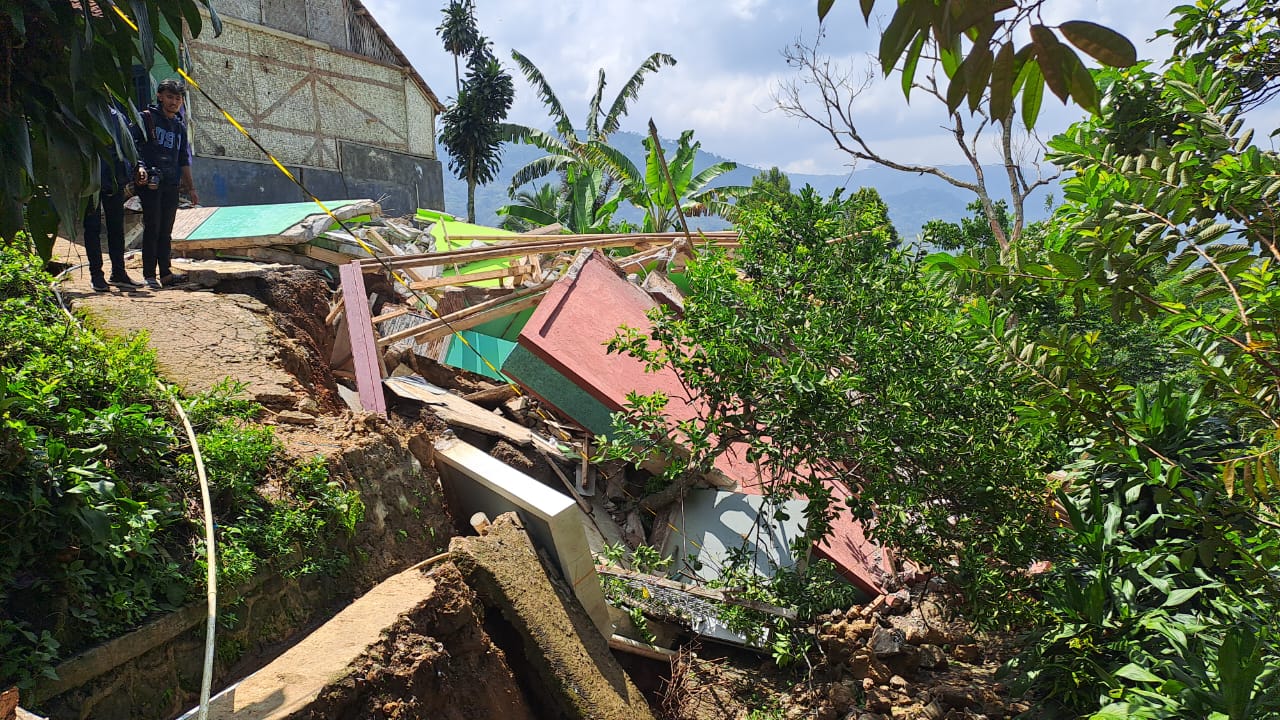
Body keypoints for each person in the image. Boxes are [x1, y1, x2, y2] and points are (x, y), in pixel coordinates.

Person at [131, 78, 200, 289]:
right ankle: (149, 275)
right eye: (170, 97)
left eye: (178, 98)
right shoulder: (147, 119)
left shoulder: (178, 127)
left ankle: (166, 273)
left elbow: (183, 159)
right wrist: (139, 167)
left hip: (171, 183)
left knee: (166, 230)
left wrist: (191, 188)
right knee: (153, 227)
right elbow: (132, 146)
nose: (174, 102)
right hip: (150, 183)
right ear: (160, 96)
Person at [84, 105, 141, 292]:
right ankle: (96, 276)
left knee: (116, 228)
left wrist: (136, 166)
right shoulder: (83, 111)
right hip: (90, 181)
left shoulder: (118, 116)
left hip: (114, 181)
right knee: (92, 227)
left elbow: (128, 145)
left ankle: (118, 273)